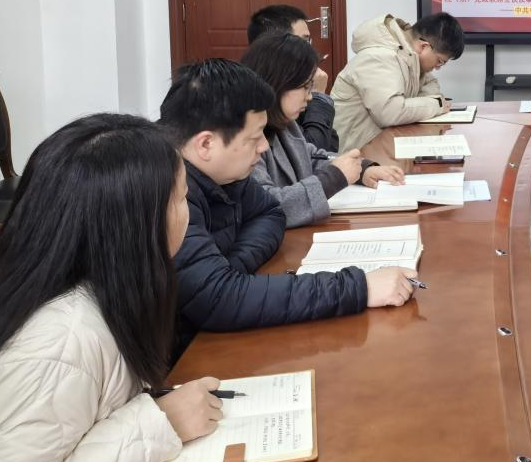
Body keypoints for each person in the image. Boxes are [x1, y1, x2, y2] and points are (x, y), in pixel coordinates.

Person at [0, 114, 222, 462]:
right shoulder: (60, 344)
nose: (190, 213)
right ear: (137, 225)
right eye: (182, 198)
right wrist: (160, 424)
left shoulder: (97, 293)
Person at [158, 59, 416, 360]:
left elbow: (270, 213)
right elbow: (220, 299)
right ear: (205, 144)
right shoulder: (167, 193)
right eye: (254, 138)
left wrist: (231, 266)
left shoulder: (224, 172)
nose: (264, 148)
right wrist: (359, 287)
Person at [242, 32, 404, 227]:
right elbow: (268, 205)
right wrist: (333, 178)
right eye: (305, 87)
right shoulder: (245, 138)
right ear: (278, 83)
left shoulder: (285, 123)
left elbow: (311, 157)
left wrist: (362, 169)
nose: (310, 97)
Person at [332, 12, 465, 149]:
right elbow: (389, 113)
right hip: (355, 152)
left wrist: (416, 105)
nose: (438, 67)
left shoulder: (409, 57)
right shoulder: (379, 58)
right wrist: (436, 104)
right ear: (423, 47)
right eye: (440, 61)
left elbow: (430, 83)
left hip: (382, 146)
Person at [248, 3, 339, 150]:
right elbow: (311, 151)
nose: (309, 48)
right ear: (278, 44)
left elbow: (330, 146)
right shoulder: (260, 98)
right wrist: (318, 97)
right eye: (303, 40)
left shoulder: (296, 85)